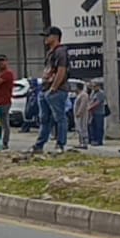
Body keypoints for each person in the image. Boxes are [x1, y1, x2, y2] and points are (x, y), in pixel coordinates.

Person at [31, 26, 69, 154]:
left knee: (60, 118)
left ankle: (60, 144)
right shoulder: (50, 52)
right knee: (44, 119)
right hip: (45, 88)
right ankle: (39, 145)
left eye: (47, 36)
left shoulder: (60, 51)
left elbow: (61, 70)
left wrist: (54, 87)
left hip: (56, 90)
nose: (45, 39)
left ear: (55, 37)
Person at [72, 82, 91, 149]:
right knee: (79, 129)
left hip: (82, 115)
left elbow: (83, 104)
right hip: (77, 115)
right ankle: (81, 142)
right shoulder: (79, 94)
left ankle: (84, 143)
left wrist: (79, 112)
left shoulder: (84, 95)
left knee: (83, 128)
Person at [89, 79, 107, 146]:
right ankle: (94, 139)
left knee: (99, 127)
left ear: (98, 86)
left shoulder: (101, 93)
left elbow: (97, 102)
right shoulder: (93, 93)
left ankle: (99, 141)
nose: (93, 87)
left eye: (95, 86)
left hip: (99, 112)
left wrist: (90, 107)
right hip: (93, 112)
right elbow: (91, 100)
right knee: (93, 126)